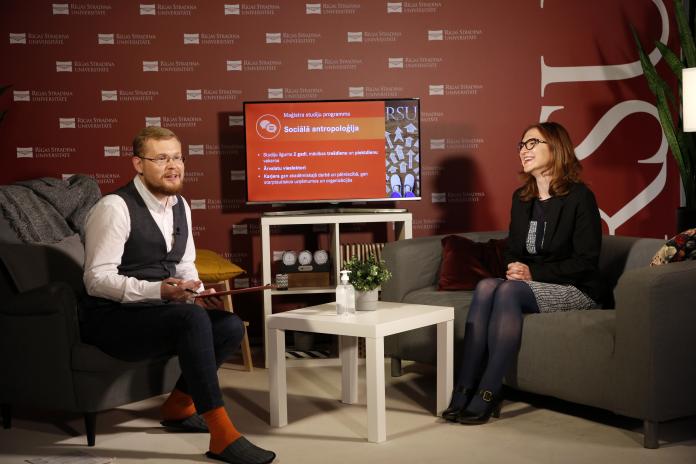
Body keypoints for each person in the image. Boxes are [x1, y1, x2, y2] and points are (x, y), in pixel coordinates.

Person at [79, 127, 276, 464]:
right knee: (191, 318)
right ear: (138, 164)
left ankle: (179, 406)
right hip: (111, 320)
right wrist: (158, 290)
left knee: (229, 326)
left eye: (177, 157)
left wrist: (195, 290)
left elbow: (184, 265)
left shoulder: (180, 205)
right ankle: (222, 434)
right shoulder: (114, 207)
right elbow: (96, 280)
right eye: (161, 158)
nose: (173, 166)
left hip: (157, 311)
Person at [442, 121, 602, 425]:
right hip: (531, 285)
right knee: (487, 286)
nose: (524, 150)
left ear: (556, 148)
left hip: (576, 288)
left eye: (532, 143)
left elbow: (587, 261)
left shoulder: (580, 197)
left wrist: (533, 272)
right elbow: (513, 250)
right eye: (522, 145)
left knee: (507, 290)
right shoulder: (522, 198)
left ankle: (489, 391)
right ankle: (463, 387)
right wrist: (516, 268)